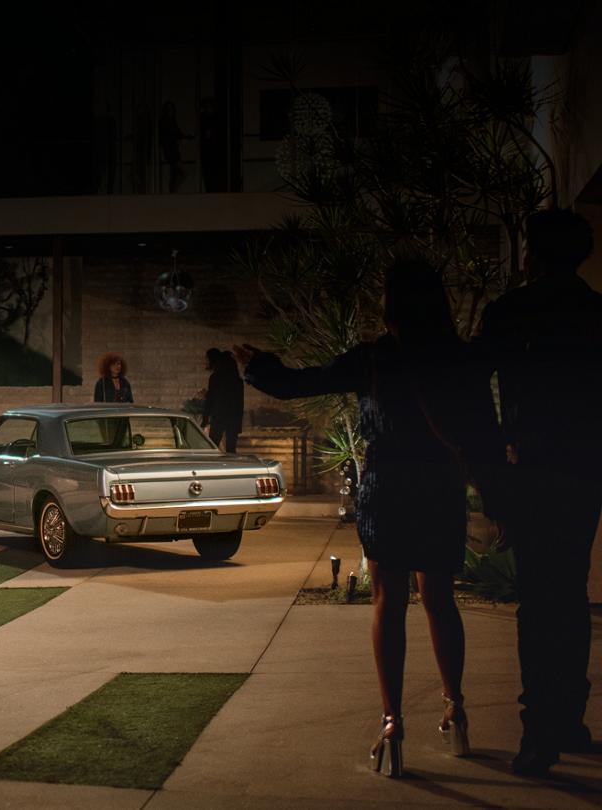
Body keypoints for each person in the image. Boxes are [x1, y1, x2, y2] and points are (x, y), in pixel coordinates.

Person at [235, 259, 510, 778]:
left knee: (388, 600)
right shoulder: (458, 359)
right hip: (439, 487)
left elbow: (299, 385)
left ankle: (392, 722)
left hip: (387, 487)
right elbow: (484, 433)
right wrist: (495, 498)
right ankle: (456, 709)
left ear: (391, 308)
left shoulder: (375, 358)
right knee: (440, 599)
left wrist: (258, 366)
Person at [474, 207, 602, 776]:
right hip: (583, 471)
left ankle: (539, 734)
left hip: (532, 469)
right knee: (569, 595)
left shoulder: (512, 312)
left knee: (539, 602)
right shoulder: (595, 313)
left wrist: (492, 462)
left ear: (534, 253)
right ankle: (569, 718)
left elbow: (475, 382)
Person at [201, 348, 244, 453]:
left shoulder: (215, 378)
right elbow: (239, 404)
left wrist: (205, 420)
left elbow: (211, 401)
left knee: (212, 449)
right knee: (231, 450)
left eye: (207, 358)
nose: (205, 361)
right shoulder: (237, 380)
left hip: (219, 418)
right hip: (233, 420)